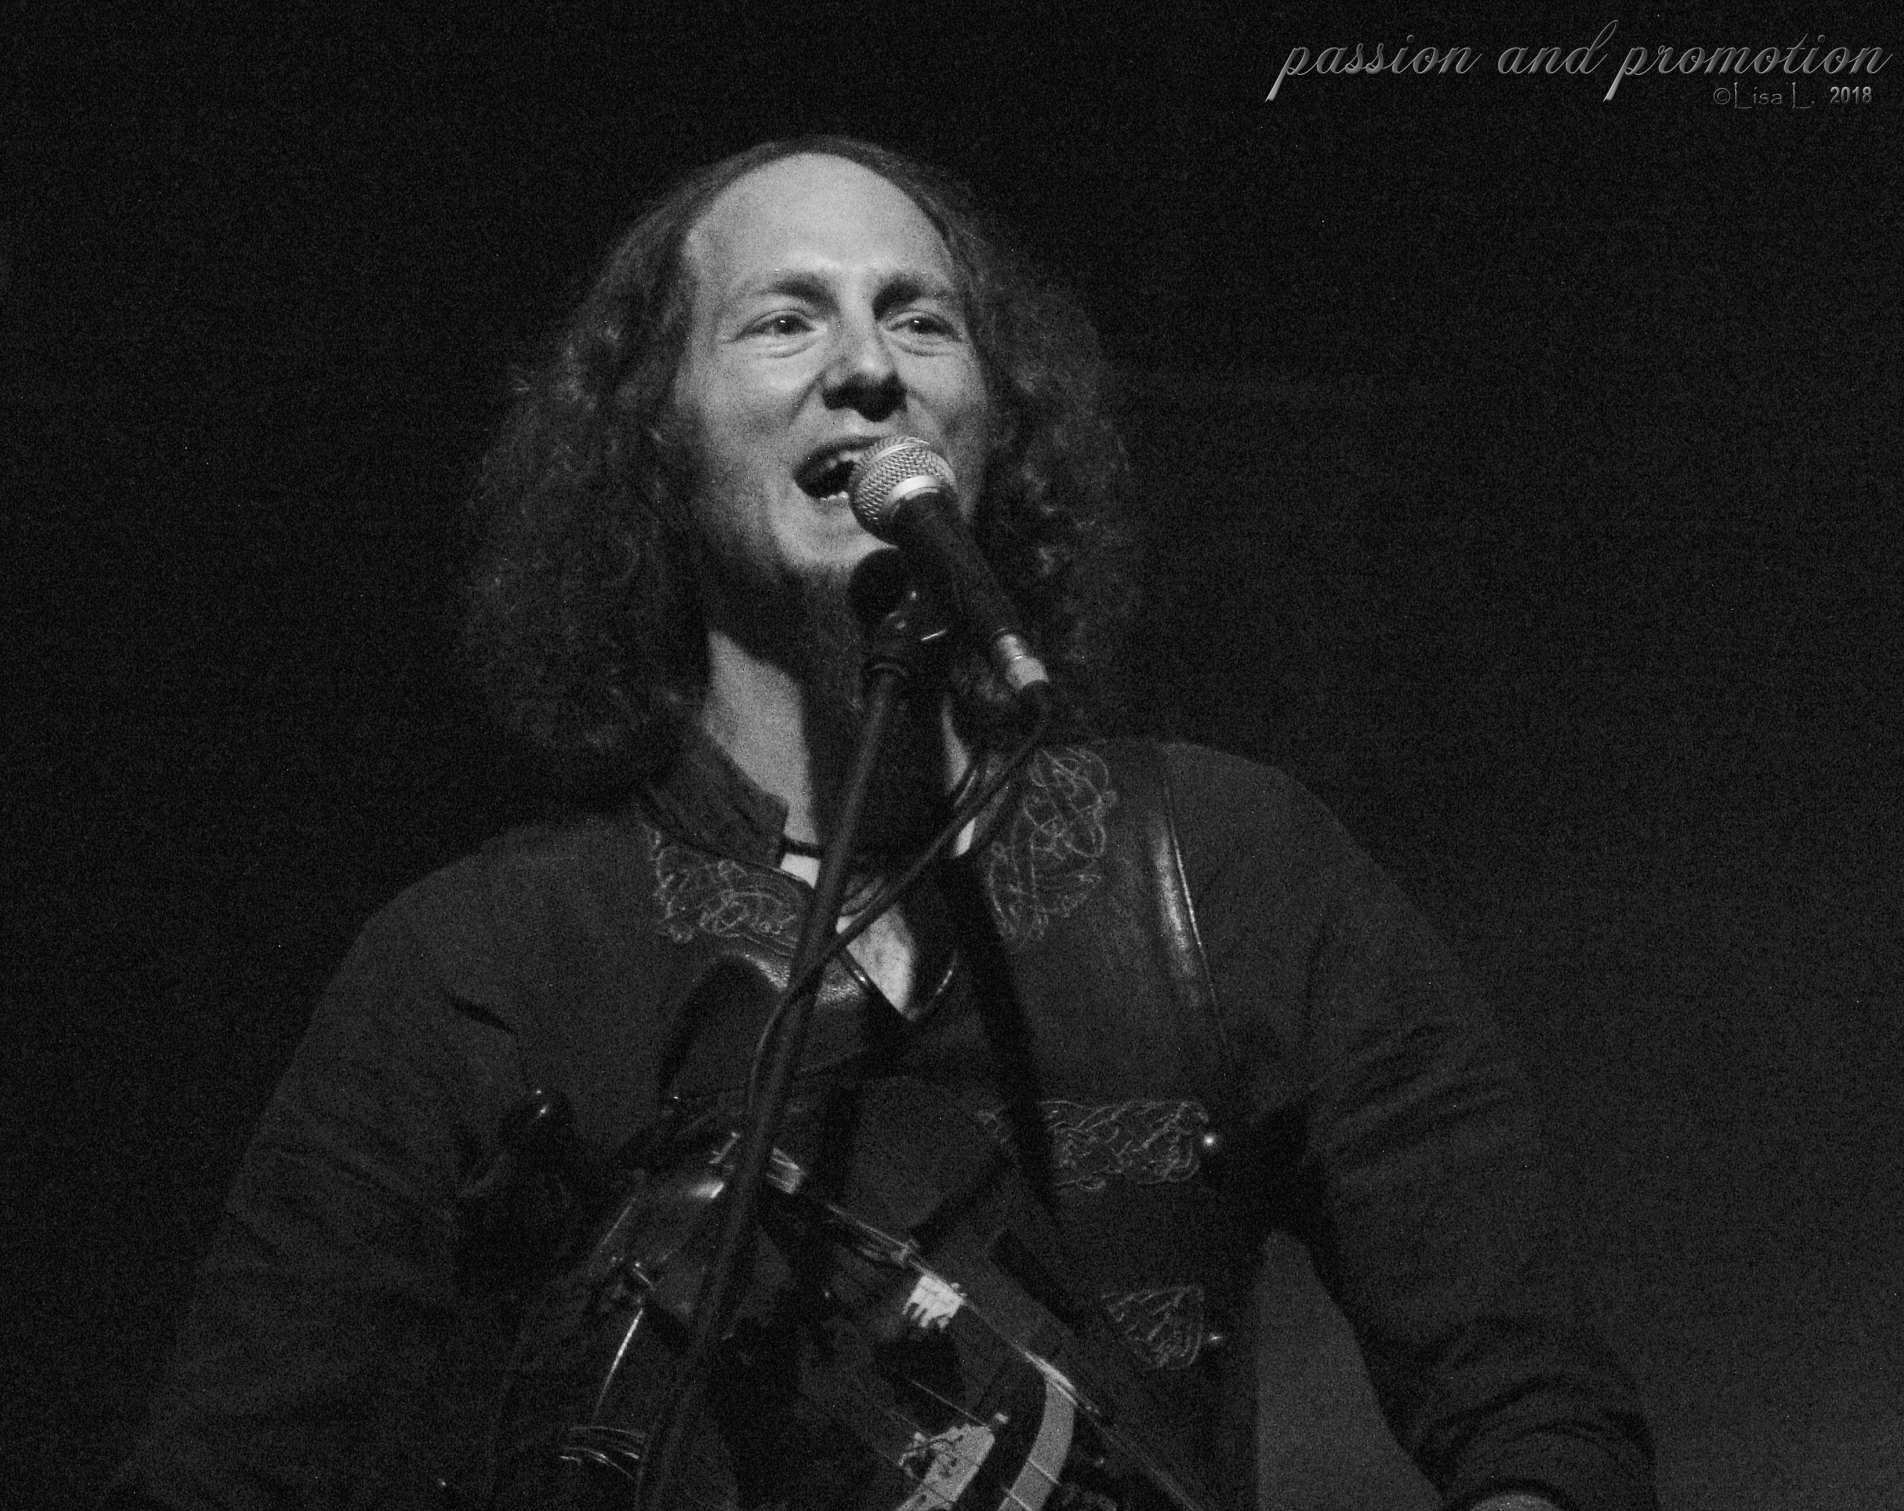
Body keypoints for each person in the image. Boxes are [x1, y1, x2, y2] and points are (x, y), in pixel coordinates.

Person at [106, 137, 1656, 1511]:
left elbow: (1542, 1415)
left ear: (996, 428)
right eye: (785, 320)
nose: (868, 366)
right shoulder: (482, 963)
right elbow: (223, 1471)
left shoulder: (1239, 867)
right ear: (652, 438)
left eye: (922, 319)